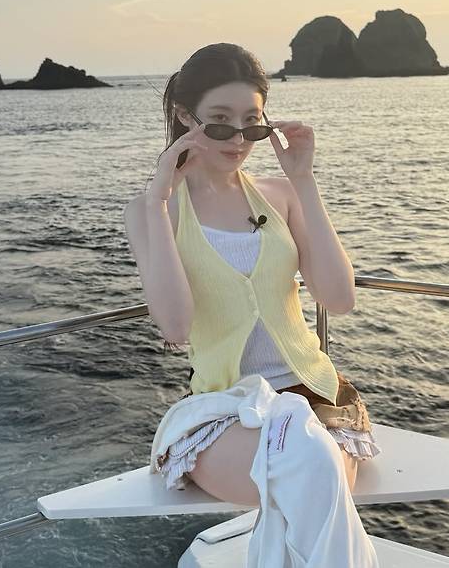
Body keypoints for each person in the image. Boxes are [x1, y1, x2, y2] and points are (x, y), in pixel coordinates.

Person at [124, 43, 381, 566]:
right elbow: (175, 326)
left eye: (252, 124)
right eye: (220, 123)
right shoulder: (154, 210)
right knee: (310, 464)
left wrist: (304, 179)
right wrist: (157, 201)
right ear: (184, 116)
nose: (239, 139)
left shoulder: (281, 195)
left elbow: (338, 297)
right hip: (224, 410)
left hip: (316, 396)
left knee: (309, 461)